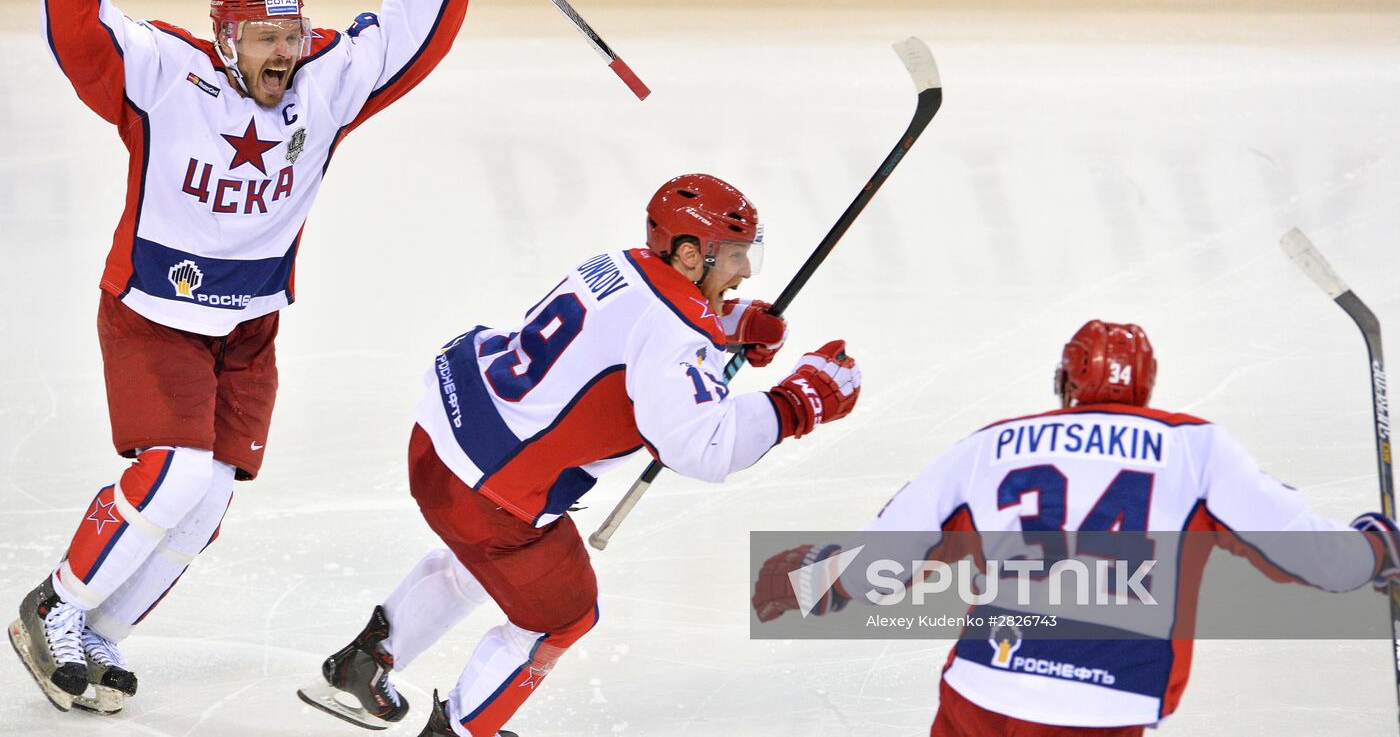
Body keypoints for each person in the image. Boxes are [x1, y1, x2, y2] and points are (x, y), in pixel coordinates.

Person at [8, 0, 510, 715]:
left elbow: (400, 36)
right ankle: (53, 605)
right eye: (263, 37)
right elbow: (88, 38)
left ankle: (100, 631)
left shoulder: (321, 87)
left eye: (291, 33)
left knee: (203, 500)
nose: (283, 50)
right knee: (170, 475)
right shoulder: (170, 74)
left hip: (248, 329)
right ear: (226, 39)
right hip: (153, 315)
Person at [297, 173, 864, 736]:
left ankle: (362, 665)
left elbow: (633, 331)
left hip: (442, 440)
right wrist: (800, 401)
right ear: (691, 255)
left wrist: (729, 326)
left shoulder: (622, 262)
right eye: (736, 256)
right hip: (493, 494)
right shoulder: (676, 329)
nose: (744, 272)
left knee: (481, 562)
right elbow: (701, 444)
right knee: (562, 617)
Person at [752, 320, 1400, 736]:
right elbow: (1318, 558)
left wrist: (814, 579)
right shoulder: (1194, 447)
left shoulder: (994, 443)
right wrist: (1376, 547)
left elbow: (884, 560)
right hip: (1102, 705)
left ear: (1065, 380)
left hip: (984, 689)